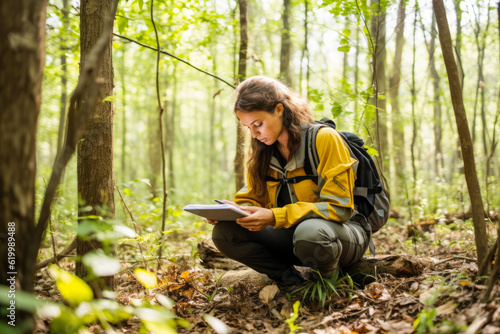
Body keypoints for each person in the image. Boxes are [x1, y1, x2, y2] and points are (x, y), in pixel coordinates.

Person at [209, 76, 370, 286]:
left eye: (258, 124)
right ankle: (290, 281)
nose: (255, 134)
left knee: (310, 233)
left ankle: (327, 283)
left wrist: (276, 216)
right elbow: (255, 201)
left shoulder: (324, 138)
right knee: (224, 233)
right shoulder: (260, 153)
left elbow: (340, 208)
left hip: (341, 235)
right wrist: (235, 212)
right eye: (248, 127)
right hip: (292, 238)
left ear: (279, 109)